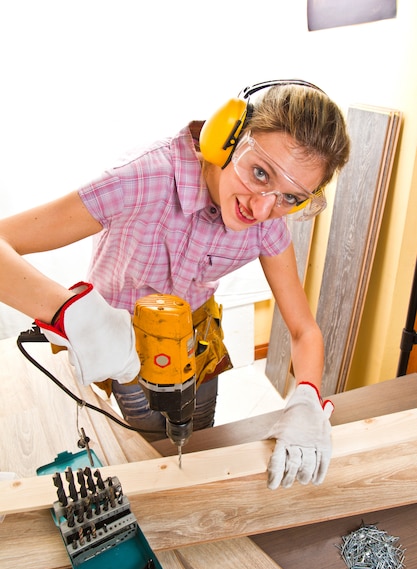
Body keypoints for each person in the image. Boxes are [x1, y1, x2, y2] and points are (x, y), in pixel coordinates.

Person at [0, 79, 350, 489]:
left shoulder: (266, 225)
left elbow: (304, 329)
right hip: (120, 341)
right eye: (259, 172)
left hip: (196, 339)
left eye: (290, 197)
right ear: (226, 139)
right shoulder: (143, 179)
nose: (262, 207)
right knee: (148, 453)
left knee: (197, 443)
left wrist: (307, 396)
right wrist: (69, 312)